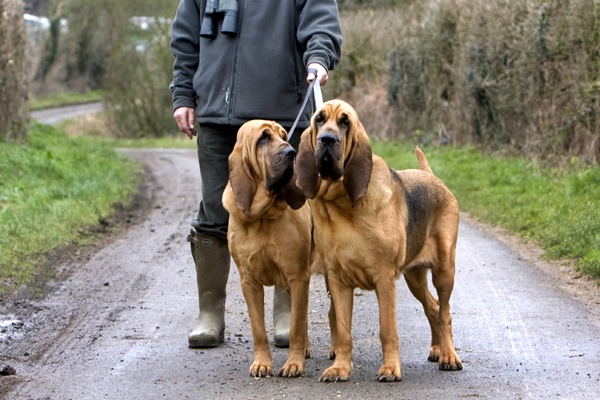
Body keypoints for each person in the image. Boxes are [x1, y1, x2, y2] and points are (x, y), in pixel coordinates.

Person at [169, 0, 342, 349]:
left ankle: (286, 314)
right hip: (217, 115)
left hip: (281, 116)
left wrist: (319, 56)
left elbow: (321, 18)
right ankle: (210, 314)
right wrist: (183, 94)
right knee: (215, 212)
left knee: (292, 211)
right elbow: (186, 38)